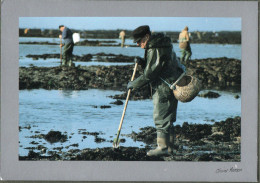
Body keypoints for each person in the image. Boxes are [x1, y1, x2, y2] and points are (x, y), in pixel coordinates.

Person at [127, 25, 185, 156]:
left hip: (163, 87)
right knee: (168, 117)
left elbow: (150, 74)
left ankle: (163, 147)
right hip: (172, 84)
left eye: (139, 41)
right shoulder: (161, 44)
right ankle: (170, 148)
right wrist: (143, 62)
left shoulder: (156, 48)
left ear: (147, 37)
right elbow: (158, 65)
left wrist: (134, 84)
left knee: (161, 117)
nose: (137, 44)